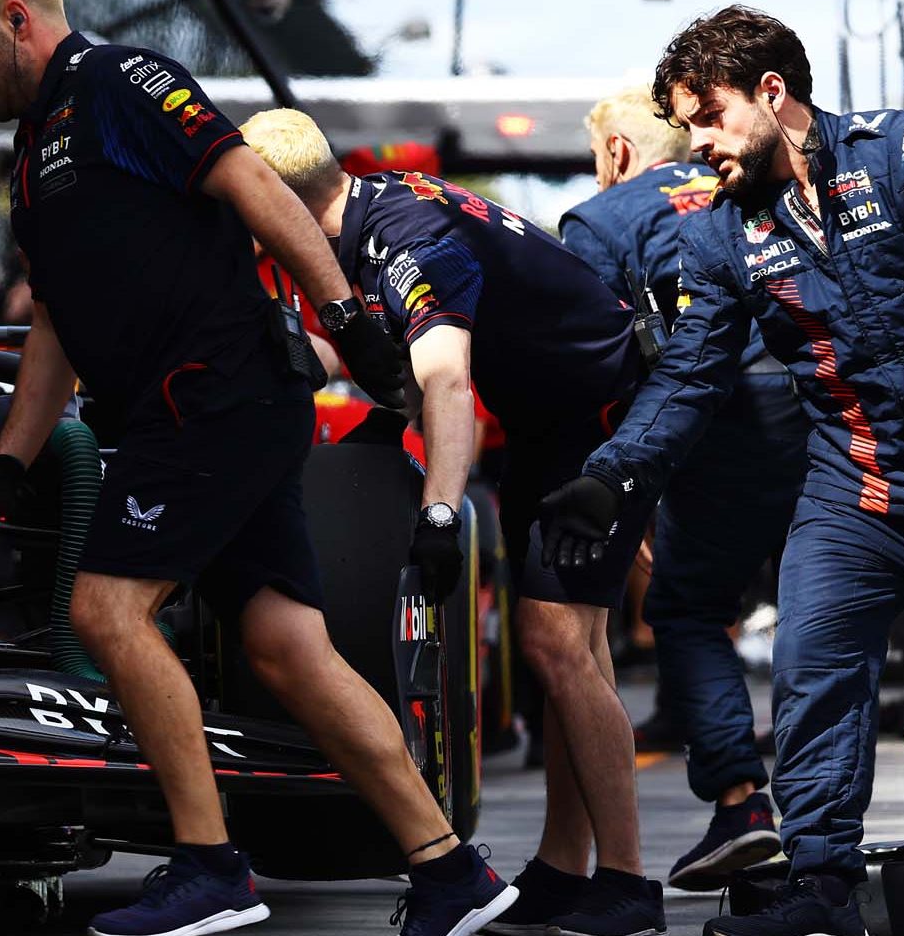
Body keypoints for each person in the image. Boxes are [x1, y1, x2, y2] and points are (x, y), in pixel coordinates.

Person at [0, 0, 516, 936]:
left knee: (109, 610)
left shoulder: (118, 80)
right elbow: (54, 327)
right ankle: (451, 867)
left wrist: (348, 315)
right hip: (189, 411)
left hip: (214, 397)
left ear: (20, 19)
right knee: (288, 650)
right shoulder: (33, 156)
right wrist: (5, 466)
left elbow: (253, 183)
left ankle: (211, 866)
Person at [540, 5, 904, 936]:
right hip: (856, 491)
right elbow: (691, 373)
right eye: (682, 125)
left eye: (708, 116)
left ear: (771, 92)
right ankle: (822, 887)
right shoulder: (715, 237)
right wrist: (612, 474)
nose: (697, 142)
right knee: (810, 670)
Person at [241, 107, 666, 936]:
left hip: (605, 413)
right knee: (572, 651)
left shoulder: (404, 241)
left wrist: (440, 509)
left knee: (556, 645)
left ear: (275, 198)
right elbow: (363, 346)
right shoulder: (370, 210)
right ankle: (561, 869)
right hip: (557, 415)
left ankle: (628, 883)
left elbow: (444, 379)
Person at [561, 86, 808, 893]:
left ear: (620, 152)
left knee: (687, 607)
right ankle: (820, 826)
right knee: (833, 610)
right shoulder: (758, 183)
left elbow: (594, 369)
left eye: (599, 160)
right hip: (828, 405)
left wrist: (615, 487)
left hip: (717, 420)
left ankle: (742, 802)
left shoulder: (603, 219)